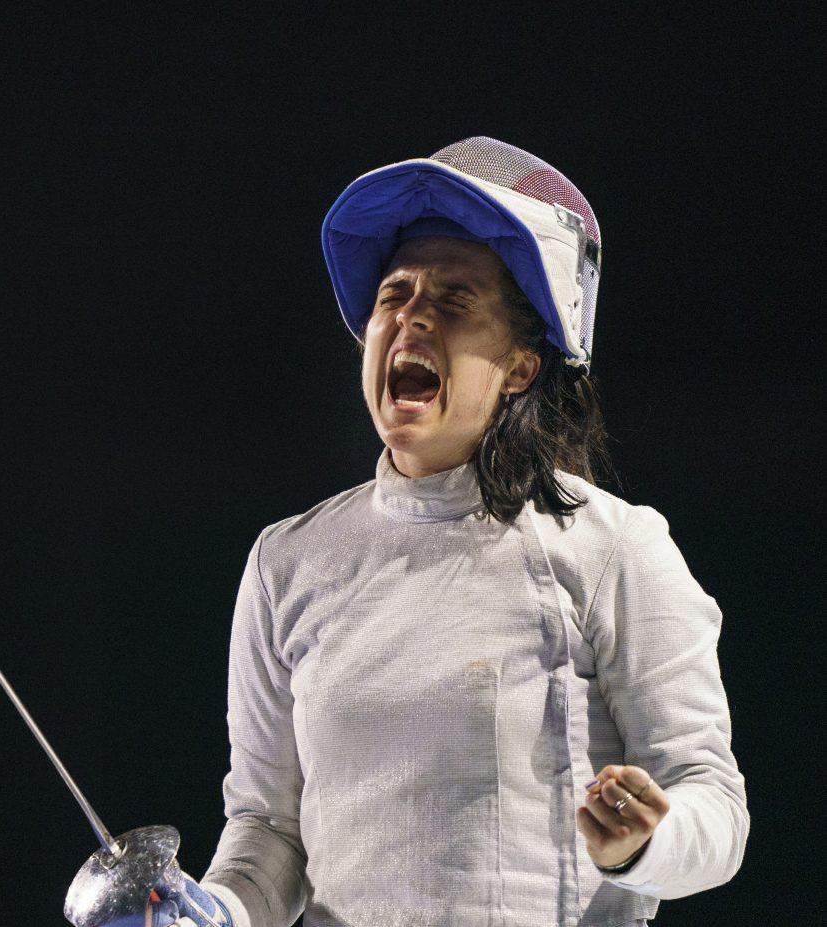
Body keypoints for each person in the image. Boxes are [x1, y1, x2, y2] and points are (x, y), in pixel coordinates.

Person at [94, 138, 749, 927]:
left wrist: (644, 843)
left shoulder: (610, 547)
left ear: (520, 366)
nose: (411, 316)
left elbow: (714, 805)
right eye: (394, 295)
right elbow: (269, 829)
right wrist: (217, 911)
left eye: (454, 299)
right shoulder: (288, 561)